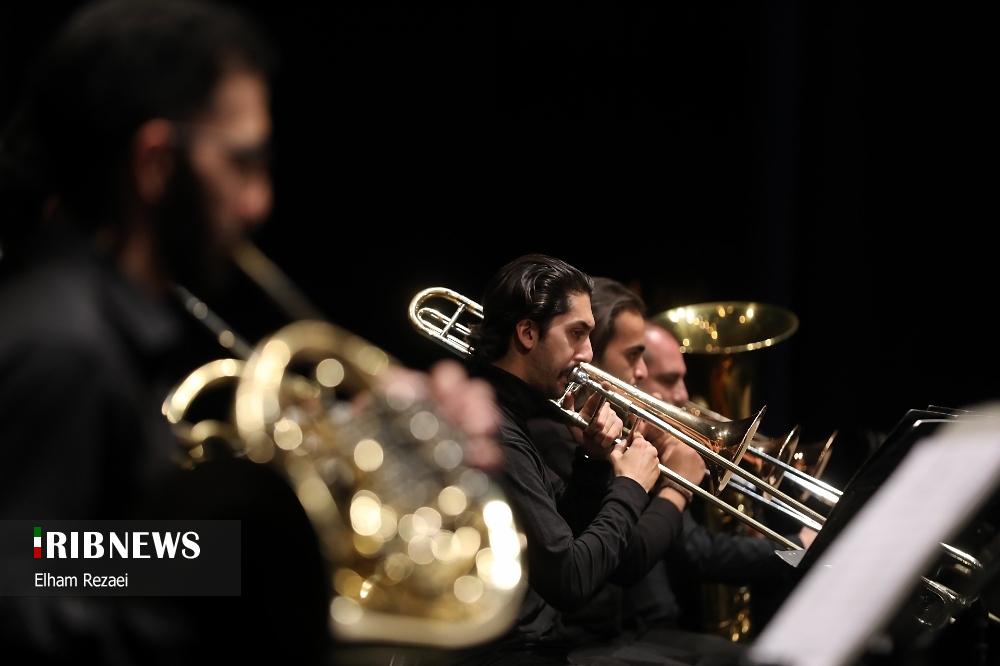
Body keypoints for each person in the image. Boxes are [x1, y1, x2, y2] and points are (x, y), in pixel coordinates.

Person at [0, 2, 497, 663]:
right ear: (155, 163)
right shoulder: (64, 347)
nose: (258, 201)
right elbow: (33, 577)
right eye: (241, 162)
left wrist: (359, 461)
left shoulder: (102, 324)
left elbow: (84, 555)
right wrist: (267, 568)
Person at [462, 255, 709, 665]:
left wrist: (592, 462)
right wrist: (632, 485)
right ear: (527, 333)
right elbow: (570, 580)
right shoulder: (497, 432)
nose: (588, 354)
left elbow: (570, 530)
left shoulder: (515, 417)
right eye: (576, 334)